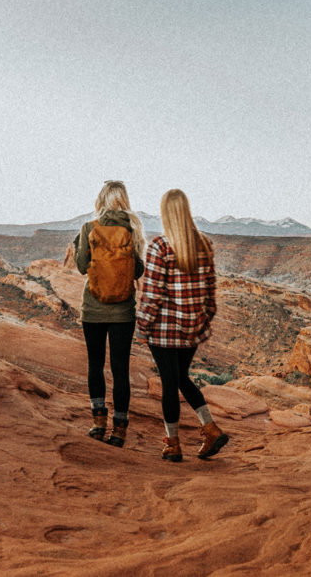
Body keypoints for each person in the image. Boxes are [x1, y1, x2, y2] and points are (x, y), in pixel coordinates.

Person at [136, 188, 228, 462]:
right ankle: (210, 428)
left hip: (164, 330)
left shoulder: (159, 246)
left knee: (169, 384)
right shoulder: (204, 244)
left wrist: (142, 328)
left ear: (166, 214)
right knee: (180, 378)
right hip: (192, 329)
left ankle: (173, 445)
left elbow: (153, 294)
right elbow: (210, 290)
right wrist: (203, 319)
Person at [72, 180, 145, 447]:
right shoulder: (132, 229)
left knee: (95, 365)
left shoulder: (89, 228)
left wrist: (79, 242)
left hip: (92, 309)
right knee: (120, 370)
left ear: (101, 200)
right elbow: (138, 272)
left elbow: (81, 267)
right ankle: (120, 429)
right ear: (123, 200)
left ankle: (98, 423)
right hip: (123, 312)